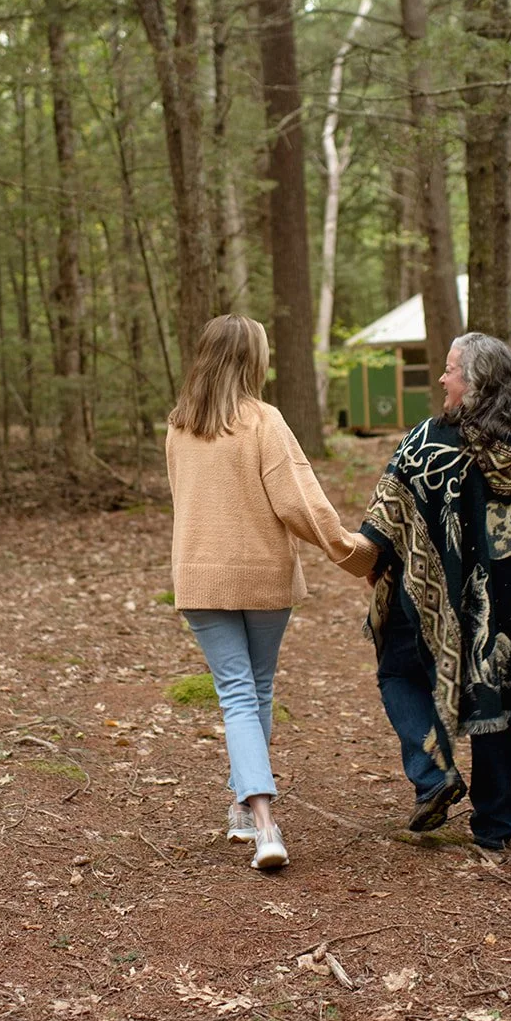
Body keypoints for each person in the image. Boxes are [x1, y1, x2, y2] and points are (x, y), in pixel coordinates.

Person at [359, 332, 511, 851]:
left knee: (399, 667)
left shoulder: (428, 443)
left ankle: (432, 774)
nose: (442, 379)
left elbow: (384, 521)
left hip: (434, 603)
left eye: (451, 370)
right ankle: (495, 827)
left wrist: (367, 557)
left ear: (476, 383)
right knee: (499, 691)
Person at [166, 314, 377, 871]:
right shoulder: (264, 421)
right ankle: (265, 826)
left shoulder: (179, 425)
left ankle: (241, 808)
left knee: (243, 691)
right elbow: (299, 504)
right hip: (262, 575)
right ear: (249, 361)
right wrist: (356, 555)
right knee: (250, 691)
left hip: (200, 577)